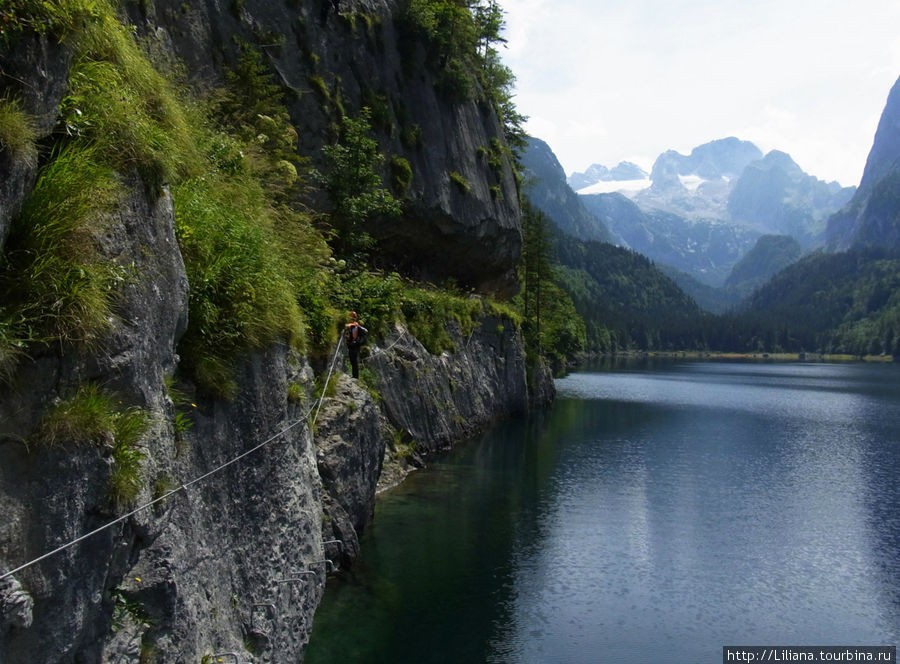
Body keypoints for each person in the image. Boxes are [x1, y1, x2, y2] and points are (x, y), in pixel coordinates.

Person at [344, 311, 368, 379]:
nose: (352, 319)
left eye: (352, 318)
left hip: (355, 345)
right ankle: (355, 376)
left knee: (354, 361)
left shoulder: (355, 325)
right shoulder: (352, 325)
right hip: (352, 345)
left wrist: (357, 341)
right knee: (353, 361)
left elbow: (365, 332)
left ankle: (355, 377)